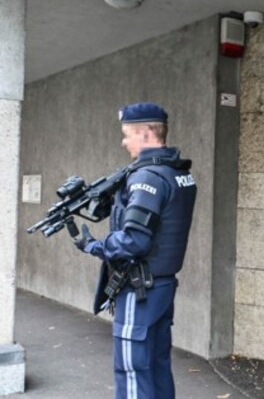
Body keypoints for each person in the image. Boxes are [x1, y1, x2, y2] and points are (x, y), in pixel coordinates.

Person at [70, 102, 197, 399]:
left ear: (147, 133)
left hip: (139, 288)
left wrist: (93, 246)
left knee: (131, 369)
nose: (124, 141)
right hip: (162, 285)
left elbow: (135, 241)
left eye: (128, 134)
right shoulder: (177, 172)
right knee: (157, 365)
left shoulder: (147, 177)